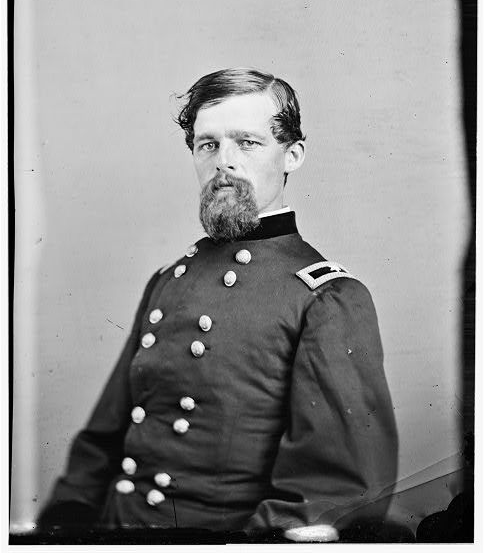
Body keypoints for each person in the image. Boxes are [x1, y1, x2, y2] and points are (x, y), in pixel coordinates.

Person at [38, 68, 398, 542]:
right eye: (208, 145)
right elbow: (100, 446)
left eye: (247, 142)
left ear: (292, 155)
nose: (223, 162)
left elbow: (334, 491)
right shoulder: (168, 281)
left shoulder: (327, 298)